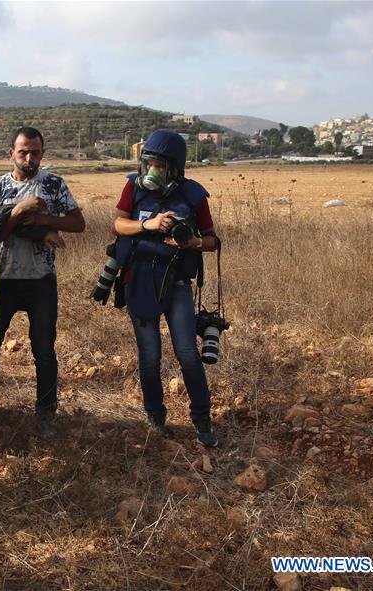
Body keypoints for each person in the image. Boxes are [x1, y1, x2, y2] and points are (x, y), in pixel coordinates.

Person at [112, 129, 220, 447]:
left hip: (176, 283)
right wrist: (147, 224)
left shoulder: (193, 195)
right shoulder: (133, 187)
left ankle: (202, 420)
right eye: (148, 163)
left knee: (187, 353)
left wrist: (193, 241)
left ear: (175, 167)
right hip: (140, 280)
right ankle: (155, 417)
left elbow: (213, 241)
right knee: (149, 356)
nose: (152, 170)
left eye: (160, 164)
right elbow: (118, 224)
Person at [0, 127, 86, 437]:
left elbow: (78, 223)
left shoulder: (53, 184)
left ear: (42, 153)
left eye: (36, 152)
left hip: (41, 281)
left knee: (44, 349)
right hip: (2, 279)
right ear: (10, 153)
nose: (30, 158)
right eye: (23, 151)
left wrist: (43, 221)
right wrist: (22, 212)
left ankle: (46, 414)